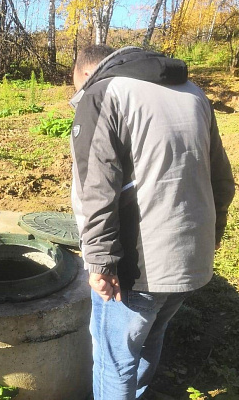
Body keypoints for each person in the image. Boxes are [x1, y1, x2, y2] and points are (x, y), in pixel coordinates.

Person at [70, 45, 235, 399]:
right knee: (150, 338)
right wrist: (213, 234)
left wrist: (99, 260)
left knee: (114, 362)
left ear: (87, 74)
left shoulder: (104, 93)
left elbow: (97, 189)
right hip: (192, 259)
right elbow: (222, 180)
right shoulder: (194, 94)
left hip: (137, 268)